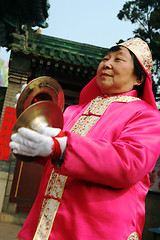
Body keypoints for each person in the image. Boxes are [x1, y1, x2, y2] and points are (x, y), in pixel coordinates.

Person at [10, 37, 160, 240]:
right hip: (45, 225)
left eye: (118, 59)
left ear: (139, 78)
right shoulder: (73, 111)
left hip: (98, 231)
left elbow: (129, 162)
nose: (106, 63)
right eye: (105, 58)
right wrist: (32, 116)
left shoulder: (146, 116)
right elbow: (47, 149)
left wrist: (62, 146)